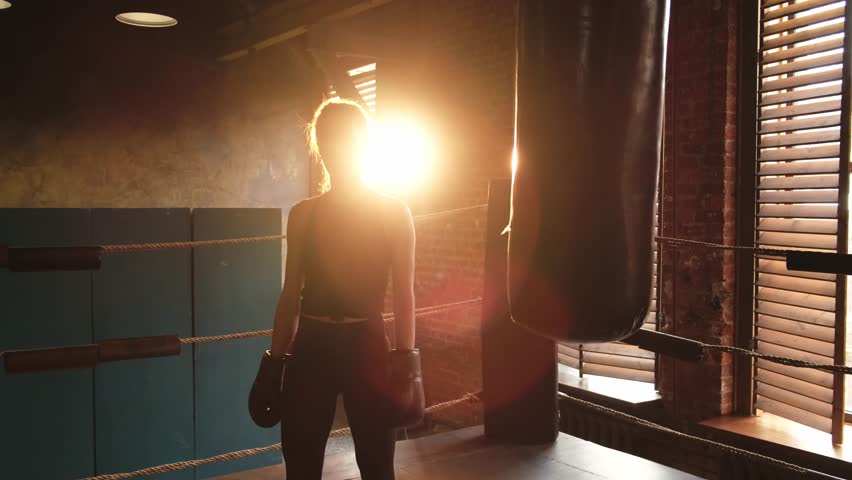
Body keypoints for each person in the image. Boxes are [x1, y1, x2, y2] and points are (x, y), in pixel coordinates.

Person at [248, 98, 423, 480]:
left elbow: (406, 296)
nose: (338, 148)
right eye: (330, 139)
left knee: (378, 466)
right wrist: (272, 364)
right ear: (320, 146)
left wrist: (406, 365)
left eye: (347, 139)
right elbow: (290, 293)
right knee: (302, 464)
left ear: (364, 143)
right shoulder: (304, 214)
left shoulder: (393, 212)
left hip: (368, 342)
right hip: (313, 345)